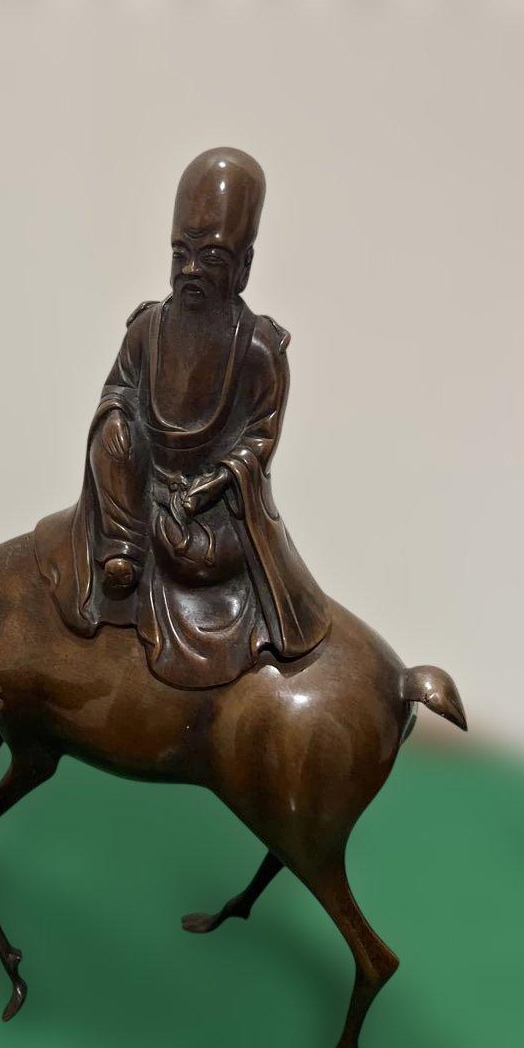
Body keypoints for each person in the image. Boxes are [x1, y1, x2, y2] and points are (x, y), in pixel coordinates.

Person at [35, 147, 330, 689]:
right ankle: (123, 552)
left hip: (214, 508)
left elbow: (258, 439)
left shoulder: (259, 349)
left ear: (244, 267)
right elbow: (119, 389)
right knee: (111, 430)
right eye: (181, 254)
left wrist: (208, 486)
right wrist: (118, 422)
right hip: (140, 490)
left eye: (212, 258)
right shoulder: (146, 330)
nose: (191, 270)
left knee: (194, 561)